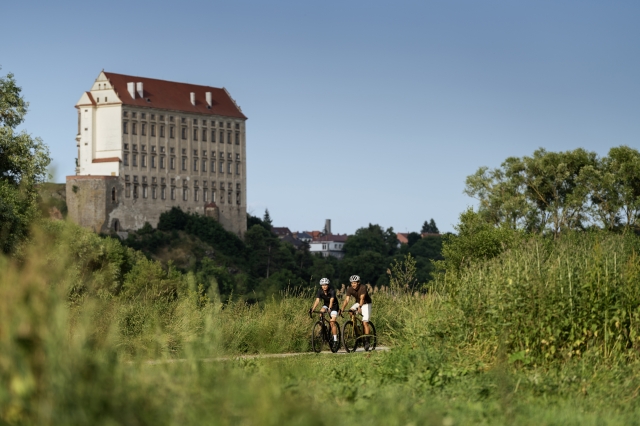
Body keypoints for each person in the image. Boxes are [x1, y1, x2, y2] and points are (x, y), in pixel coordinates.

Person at [340, 275, 372, 346]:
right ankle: (356, 326)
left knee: (365, 322)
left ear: (358, 283)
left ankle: (367, 340)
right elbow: (347, 299)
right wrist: (342, 308)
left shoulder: (363, 287)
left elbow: (362, 298)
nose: (353, 284)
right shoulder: (350, 289)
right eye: (352, 283)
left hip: (366, 303)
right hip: (358, 303)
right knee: (350, 311)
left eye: (354, 283)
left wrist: (360, 307)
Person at [309, 278, 339, 344]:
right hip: (326, 305)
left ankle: (335, 339)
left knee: (332, 322)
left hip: (334, 306)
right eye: (322, 285)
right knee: (321, 312)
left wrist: (330, 308)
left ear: (328, 285)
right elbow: (317, 300)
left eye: (325, 285)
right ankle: (323, 326)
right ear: (321, 286)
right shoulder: (320, 291)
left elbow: (331, 300)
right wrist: (313, 309)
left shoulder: (332, 291)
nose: (324, 286)